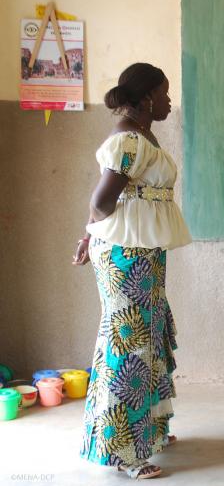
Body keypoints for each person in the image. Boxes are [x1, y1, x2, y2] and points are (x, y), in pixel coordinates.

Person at [72, 63, 191, 479]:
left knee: (150, 338)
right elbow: (103, 201)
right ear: (144, 99)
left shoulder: (139, 134)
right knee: (129, 347)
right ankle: (122, 454)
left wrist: (92, 236)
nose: (169, 101)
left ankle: (149, 433)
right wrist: (93, 235)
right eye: (164, 93)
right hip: (127, 255)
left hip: (142, 252)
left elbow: (113, 202)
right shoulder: (128, 138)